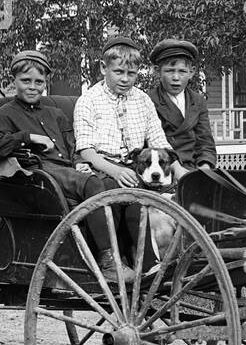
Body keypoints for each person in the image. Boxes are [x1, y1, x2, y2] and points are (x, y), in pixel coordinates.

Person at [0, 50, 130, 283]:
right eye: (25, 81)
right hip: (39, 172)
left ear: (45, 83)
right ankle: (108, 261)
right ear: (13, 82)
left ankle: (119, 255)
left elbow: (73, 147)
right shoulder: (4, 115)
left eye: (39, 82)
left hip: (68, 170)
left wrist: (81, 163)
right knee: (93, 184)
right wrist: (27, 137)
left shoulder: (56, 114)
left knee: (110, 184)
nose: (32, 87)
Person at [74, 34, 183, 270]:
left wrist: (179, 170)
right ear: (104, 68)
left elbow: (157, 139)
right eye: (119, 72)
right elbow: (86, 150)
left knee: (148, 198)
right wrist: (115, 170)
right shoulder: (89, 100)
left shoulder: (142, 100)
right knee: (118, 192)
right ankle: (111, 258)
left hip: (133, 168)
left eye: (131, 74)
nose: (125, 79)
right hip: (100, 167)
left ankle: (152, 263)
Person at [147, 37, 217, 170]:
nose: (176, 78)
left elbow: (205, 142)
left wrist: (205, 167)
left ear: (192, 72)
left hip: (194, 168)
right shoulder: (148, 100)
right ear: (157, 71)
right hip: (162, 169)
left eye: (182, 71)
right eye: (169, 71)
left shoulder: (198, 101)